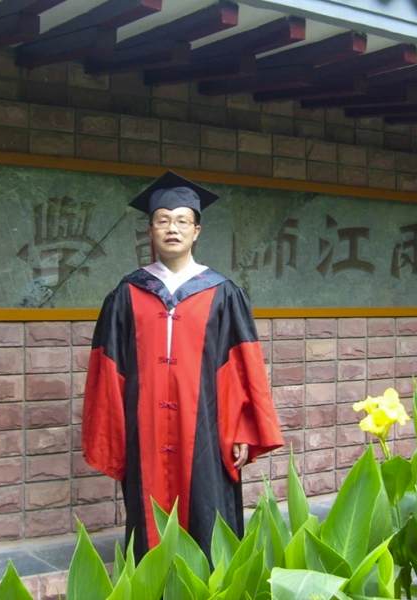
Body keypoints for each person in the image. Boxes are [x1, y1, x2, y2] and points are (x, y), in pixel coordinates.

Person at [82, 171, 283, 561]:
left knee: (210, 521)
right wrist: (114, 432)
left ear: (196, 231)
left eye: (181, 221)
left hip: (208, 428)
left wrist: (243, 427)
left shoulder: (223, 293)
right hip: (145, 429)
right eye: (163, 220)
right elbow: (107, 371)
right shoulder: (126, 293)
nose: (172, 228)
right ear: (150, 230)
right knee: (148, 523)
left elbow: (244, 368)